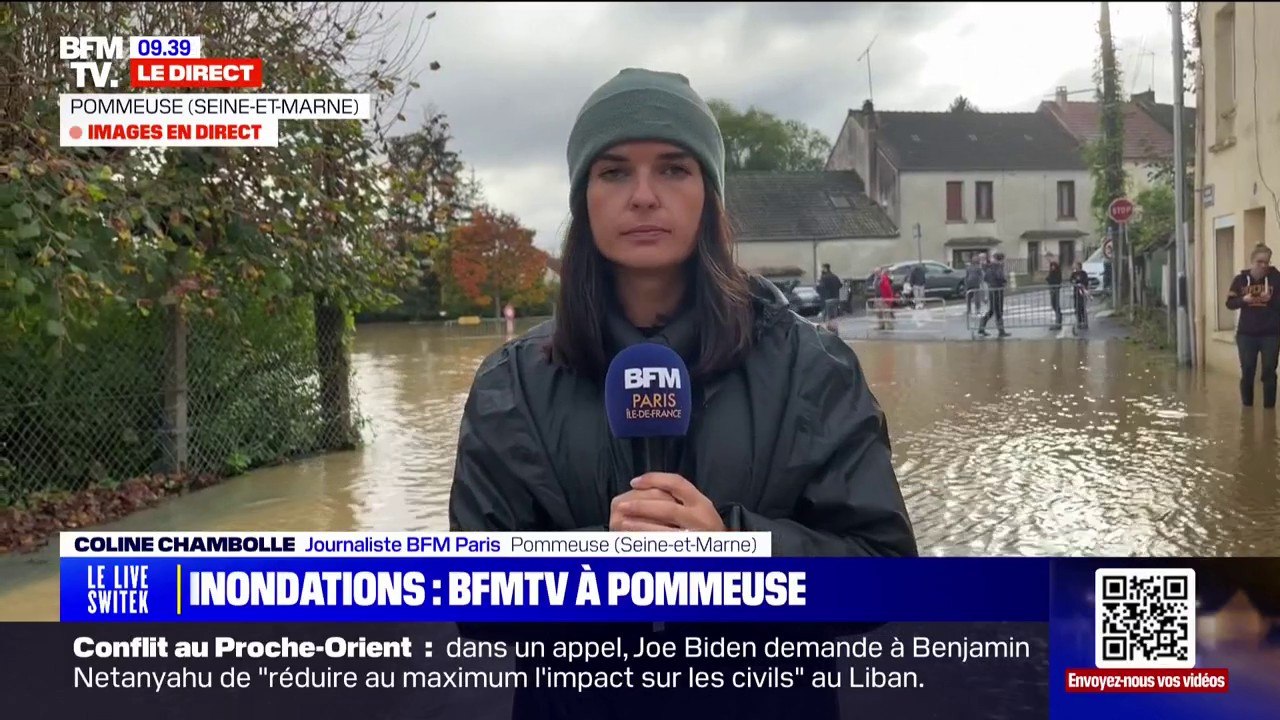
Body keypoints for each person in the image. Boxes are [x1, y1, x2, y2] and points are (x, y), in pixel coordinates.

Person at [449, 68, 917, 719]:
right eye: (614, 172)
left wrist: (734, 554)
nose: (643, 196)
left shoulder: (812, 367)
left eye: (673, 169)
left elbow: (884, 576)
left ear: (709, 194)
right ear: (583, 198)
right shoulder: (511, 385)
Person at [1225, 244, 1280, 408]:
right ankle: (1247, 409)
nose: (1263, 266)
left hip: (1271, 333)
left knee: (1269, 372)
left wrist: (1270, 299)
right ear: (1252, 261)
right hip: (1246, 334)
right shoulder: (1240, 280)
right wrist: (1244, 300)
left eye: (1267, 262)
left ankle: (1269, 410)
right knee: (1248, 371)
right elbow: (1229, 303)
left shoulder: (1277, 279)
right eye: (1260, 262)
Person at [978, 252, 1010, 338]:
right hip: (997, 289)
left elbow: (986, 277)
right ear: (1001, 259)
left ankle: (982, 327)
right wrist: (1004, 282)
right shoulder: (997, 267)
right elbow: (999, 276)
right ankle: (1001, 330)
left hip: (992, 289)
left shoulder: (989, 266)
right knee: (998, 311)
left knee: (992, 310)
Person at [1069, 261, 1090, 330]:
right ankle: (1079, 321)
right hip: (1076, 292)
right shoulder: (1074, 273)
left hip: (1082, 292)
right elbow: (1071, 280)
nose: (1075, 267)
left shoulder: (1083, 273)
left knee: (1082, 307)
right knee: (1077, 307)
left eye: (1076, 266)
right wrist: (1074, 281)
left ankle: (1084, 322)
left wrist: (1081, 284)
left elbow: (1085, 281)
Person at [1045, 254, 1063, 331]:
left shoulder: (1056, 269)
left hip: (1055, 289)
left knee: (1056, 305)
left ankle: (1058, 322)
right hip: (1052, 289)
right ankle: (1058, 321)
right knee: (1054, 305)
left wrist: (1049, 279)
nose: (1052, 267)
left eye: (1053, 266)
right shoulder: (1052, 269)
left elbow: (1056, 279)